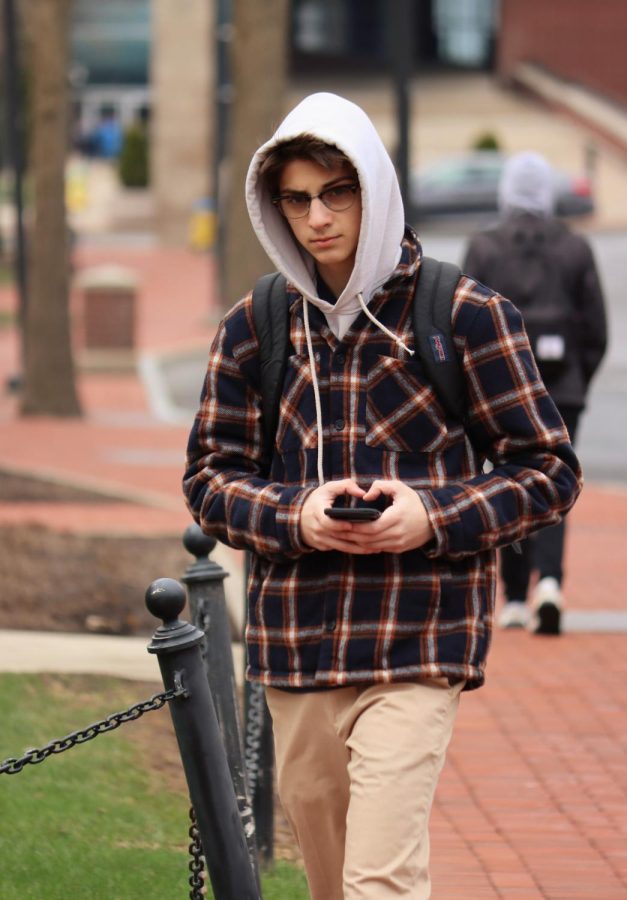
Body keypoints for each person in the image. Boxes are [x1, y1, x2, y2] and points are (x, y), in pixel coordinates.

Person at [183, 95, 582, 899]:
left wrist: (429, 516)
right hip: (296, 645)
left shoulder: (464, 316)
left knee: (379, 880)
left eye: (338, 192)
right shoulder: (254, 325)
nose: (317, 217)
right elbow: (208, 479)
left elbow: (547, 471)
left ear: (374, 187)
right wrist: (295, 514)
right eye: (296, 199)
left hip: (417, 640)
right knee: (332, 883)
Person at [463, 152, 607, 635]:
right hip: (561, 387)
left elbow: (461, 323)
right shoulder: (575, 248)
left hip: (498, 392)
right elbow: (597, 328)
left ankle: (516, 596)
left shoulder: (485, 248)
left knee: (507, 479)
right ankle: (550, 582)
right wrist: (576, 383)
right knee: (557, 481)